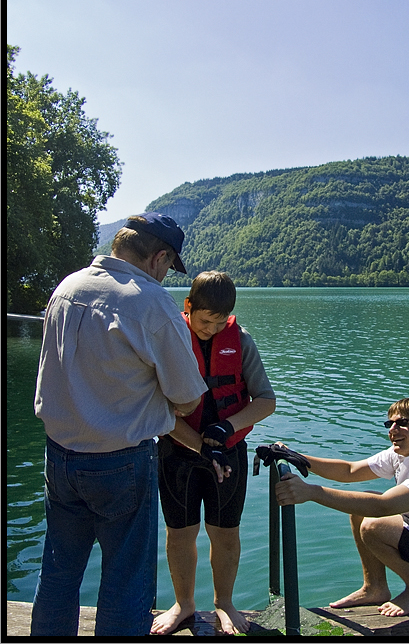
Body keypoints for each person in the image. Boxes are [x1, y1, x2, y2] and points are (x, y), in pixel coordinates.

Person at [31, 212, 211, 637]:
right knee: (126, 581)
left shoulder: (66, 288)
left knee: (58, 572)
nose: (166, 275)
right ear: (159, 257)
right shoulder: (149, 303)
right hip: (120, 463)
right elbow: (187, 398)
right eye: (168, 266)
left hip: (59, 458)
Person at [270, 398, 409, 617]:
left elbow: (383, 506)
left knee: (373, 525)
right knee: (360, 508)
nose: (393, 430)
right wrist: (296, 457)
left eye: (403, 423)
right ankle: (374, 588)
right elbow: (349, 471)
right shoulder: (405, 451)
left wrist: (311, 492)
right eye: (390, 424)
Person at [151, 271, 279, 635]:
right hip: (178, 452)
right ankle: (184, 604)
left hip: (230, 452)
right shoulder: (168, 339)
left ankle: (224, 602)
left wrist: (227, 428)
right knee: (180, 533)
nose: (212, 328)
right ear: (188, 307)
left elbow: (266, 401)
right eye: (206, 321)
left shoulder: (241, 342)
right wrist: (200, 446)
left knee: (225, 532)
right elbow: (156, 409)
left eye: (221, 321)